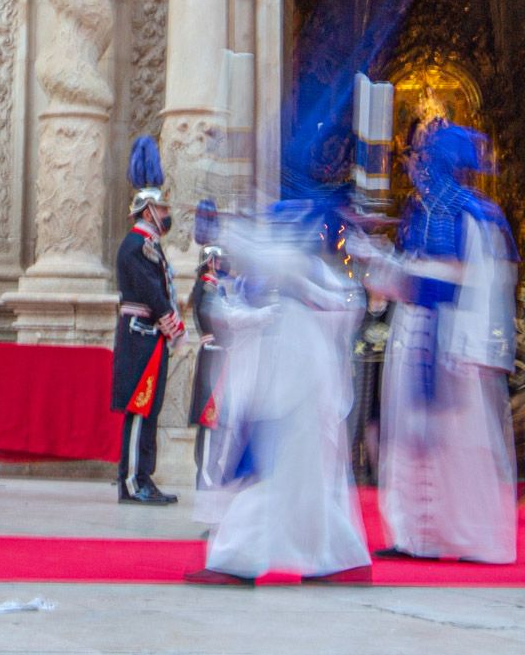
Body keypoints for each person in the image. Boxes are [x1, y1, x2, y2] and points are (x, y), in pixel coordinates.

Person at [348, 122, 518, 566]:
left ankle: (468, 536)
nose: (422, 167)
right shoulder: (420, 212)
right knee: (409, 439)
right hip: (415, 335)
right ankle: (413, 535)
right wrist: (379, 261)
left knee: (456, 443)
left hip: (452, 344)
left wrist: (474, 347)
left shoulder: (475, 217)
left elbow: (480, 286)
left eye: (428, 158)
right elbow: (410, 273)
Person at [187, 206, 372, 586]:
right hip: (289, 382)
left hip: (296, 384)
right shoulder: (307, 275)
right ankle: (342, 558)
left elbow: (265, 256)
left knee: (271, 474)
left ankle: (234, 559)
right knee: (300, 479)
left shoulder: (300, 268)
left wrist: (226, 228)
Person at [111, 135, 184, 505]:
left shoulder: (150, 245)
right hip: (141, 335)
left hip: (149, 338)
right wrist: (174, 325)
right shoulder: (137, 246)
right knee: (140, 411)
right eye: (161, 208)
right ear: (146, 211)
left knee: (148, 410)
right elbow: (153, 295)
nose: (166, 214)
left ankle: (143, 477)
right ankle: (132, 481)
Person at [187, 201, 229, 489]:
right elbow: (211, 316)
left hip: (219, 354)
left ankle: (211, 474)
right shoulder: (208, 286)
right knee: (210, 420)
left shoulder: (212, 285)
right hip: (214, 353)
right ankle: (205, 476)